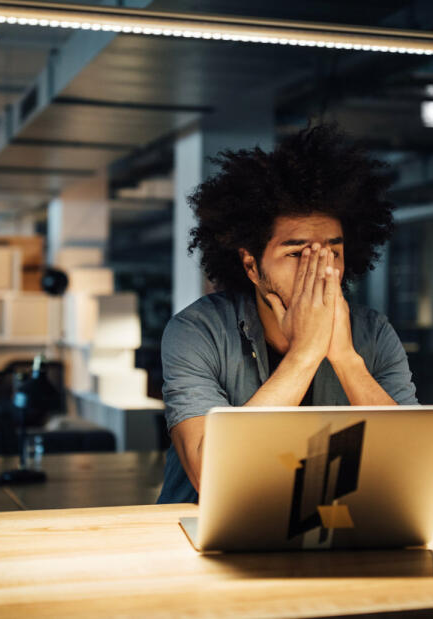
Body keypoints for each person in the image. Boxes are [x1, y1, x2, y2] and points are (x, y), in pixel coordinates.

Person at [157, 123, 418, 504]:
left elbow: (413, 465)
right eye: (297, 254)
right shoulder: (196, 332)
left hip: (330, 530)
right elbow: (210, 474)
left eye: (333, 252)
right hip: (202, 537)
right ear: (250, 265)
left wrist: (346, 361)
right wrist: (305, 355)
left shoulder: (373, 333)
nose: (322, 270)